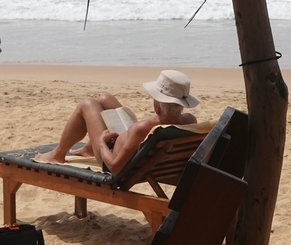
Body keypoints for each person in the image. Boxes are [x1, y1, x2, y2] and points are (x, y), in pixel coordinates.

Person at [35, 70, 199, 174]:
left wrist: (101, 144)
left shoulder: (143, 128)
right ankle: (87, 148)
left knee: (88, 104)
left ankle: (58, 154)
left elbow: (114, 167)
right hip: (138, 150)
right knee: (105, 99)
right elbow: (145, 135)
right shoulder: (190, 121)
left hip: (112, 155)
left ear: (157, 105)